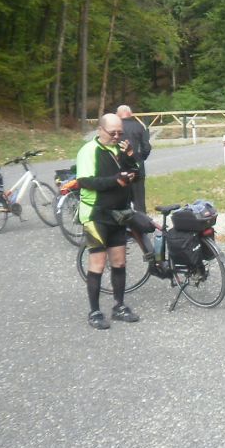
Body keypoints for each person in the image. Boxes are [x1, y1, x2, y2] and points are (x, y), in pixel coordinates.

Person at [77, 113, 142, 329]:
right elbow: (85, 181)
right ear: (100, 130)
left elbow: (136, 175)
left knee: (119, 262)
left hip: (118, 213)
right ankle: (94, 311)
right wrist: (116, 180)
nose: (116, 137)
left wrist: (130, 158)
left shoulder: (120, 148)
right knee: (98, 262)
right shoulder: (89, 151)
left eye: (120, 133)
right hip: (95, 214)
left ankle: (119, 307)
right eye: (112, 133)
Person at [116, 104, 152, 213]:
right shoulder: (139, 126)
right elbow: (146, 147)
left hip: (119, 169)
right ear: (130, 114)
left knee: (120, 202)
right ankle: (142, 221)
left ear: (117, 114)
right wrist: (140, 158)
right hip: (137, 169)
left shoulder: (115, 129)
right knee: (139, 203)